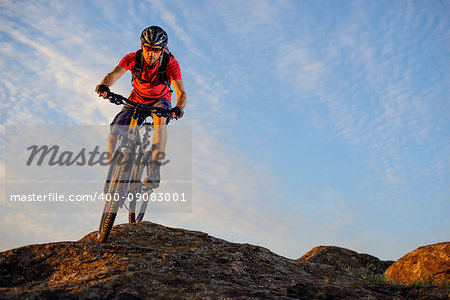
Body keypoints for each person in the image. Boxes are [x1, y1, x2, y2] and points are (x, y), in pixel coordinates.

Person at [95, 26, 186, 189]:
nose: (151, 53)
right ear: (142, 45)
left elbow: (181, 92)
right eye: (148, 48)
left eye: (156, 50)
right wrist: (104, 85)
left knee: (161, 122)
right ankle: (116, 172)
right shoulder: (133, 58)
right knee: (113, 135)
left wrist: (179, 107)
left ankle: (154, 169)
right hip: (137, 98)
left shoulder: (170, 63)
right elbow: (113, 74)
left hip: (160, 100)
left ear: (162, 49)